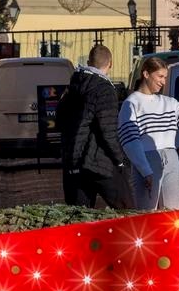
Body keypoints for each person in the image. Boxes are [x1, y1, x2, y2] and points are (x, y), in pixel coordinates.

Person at [56, 44, 130, 208]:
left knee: (79, 219)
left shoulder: (73, 86)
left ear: (89, 62)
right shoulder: (105, 89)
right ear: (110, 64)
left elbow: (59, 119)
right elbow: (108, 131)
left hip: (73, 163)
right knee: (127, 211)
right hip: (100, 163)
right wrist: (120, 160)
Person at [119, 56, 179, 210]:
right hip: (147, 160)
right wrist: (145, 170)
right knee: (147, 214)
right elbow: (130, 141)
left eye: (165, 77)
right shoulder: (131, 103)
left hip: (172, 159)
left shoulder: (169, 103)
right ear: (146, 74)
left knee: (173, 214)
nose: (163, 82)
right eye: (160, 76)